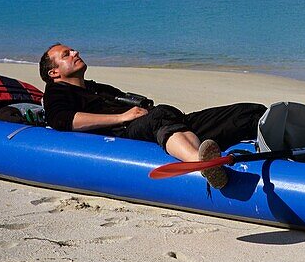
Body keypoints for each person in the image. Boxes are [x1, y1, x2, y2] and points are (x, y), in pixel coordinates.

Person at [39, 43, 266, 189]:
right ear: (54, 72)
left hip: (165, 123)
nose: (75, 52)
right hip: (127, 132)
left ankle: (291, 147)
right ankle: (201, 163)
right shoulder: (57, 92)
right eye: (66, 54)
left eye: (73, 50)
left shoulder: (96, 88)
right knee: (160, 115)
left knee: (247, 112)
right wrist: (120, 118)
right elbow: (62, 120)